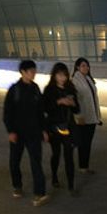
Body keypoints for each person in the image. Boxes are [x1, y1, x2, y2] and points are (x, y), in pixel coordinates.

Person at [3, 60, 48, 205]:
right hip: (18, 133)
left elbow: (40, 111)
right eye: (31, 71)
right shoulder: (14, 90)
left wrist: (44, 130)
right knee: (14, 161)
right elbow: (7, 112)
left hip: (34, 132)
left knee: (36, 162)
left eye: (34, 71)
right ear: (22, 72)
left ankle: (39, 193)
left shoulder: (35, 88)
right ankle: (17, 186)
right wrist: (11, 131)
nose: (34, 74)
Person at [41, 63, 80, 196]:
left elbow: (77, 110)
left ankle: (71, 185)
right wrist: (59, 102)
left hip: (69, 126)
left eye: (65, 75)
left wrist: (73, 104)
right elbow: (45, 108)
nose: (62, 78)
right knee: (56, 153)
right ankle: (54, 177)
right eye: (59, 75)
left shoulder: (70, 89)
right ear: (54, 75)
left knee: (69, 156)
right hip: (54, 127)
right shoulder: (49, 90)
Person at [71, 57, 102, 174]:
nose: (86, 68)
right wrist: (79, 116)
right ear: (77, 67)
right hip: (83, 117)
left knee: (87, 143)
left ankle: (84, 166)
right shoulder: (75, 81)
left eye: (87, 65)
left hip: (92, 116)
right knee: (83, 143)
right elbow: (75, 100)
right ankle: (82, 166)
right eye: (83, 65)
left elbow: (94, 98)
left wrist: (98, 116)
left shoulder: (88, 78)